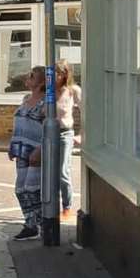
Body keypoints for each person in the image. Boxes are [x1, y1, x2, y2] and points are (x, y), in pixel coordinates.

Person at [8, 66, 47, 240]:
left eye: (32, 75)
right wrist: (12, 145)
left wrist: (39, 150)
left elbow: (49, 130)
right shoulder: (25, 98)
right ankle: (30, 224)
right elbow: (19, 124)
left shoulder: (46, 103)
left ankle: (44, 224)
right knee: (20, 190)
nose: (27, 76)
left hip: (35, 152)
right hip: (21, 149)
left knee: (32, 189)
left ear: (41, 83)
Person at [54, 60, 82, 222]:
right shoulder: (48, 92)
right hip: (49, 135)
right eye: (55, 73)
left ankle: (67, 207)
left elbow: (87, 110)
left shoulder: (72, 91)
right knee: (48, 172)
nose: (57, 76)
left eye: (60, 73)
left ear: (66, 74)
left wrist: (81, 135)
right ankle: (49, 207)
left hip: (65, 134)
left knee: (62, 172)